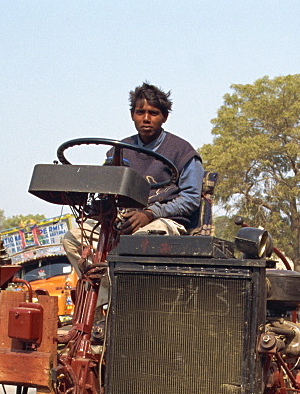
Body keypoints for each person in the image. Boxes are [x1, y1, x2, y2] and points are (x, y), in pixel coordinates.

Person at [62, 82, 204, 272]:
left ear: (164, 117)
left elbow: (190, 199)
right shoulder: (118, 151)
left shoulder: (182, 151)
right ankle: (105, 292)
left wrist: (150, 213)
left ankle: (126, 293)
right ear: (132, 115)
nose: (146, 118)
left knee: (138, 242)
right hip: (121, 222)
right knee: (73, 239)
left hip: (163, 222)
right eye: (140, 112)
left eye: (153, 113)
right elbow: (107, 190)